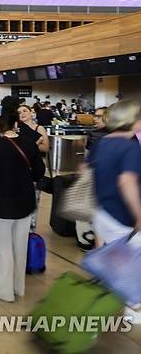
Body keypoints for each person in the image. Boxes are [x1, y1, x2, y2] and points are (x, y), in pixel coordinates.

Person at [0, 97, 45, 303]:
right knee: (19, 246)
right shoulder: (29, 144)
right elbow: (39, 172)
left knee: (0, 247)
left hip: (0, 205)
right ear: (16, 124)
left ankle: (1, 290)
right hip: (25, 203)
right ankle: (17, 286)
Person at [89, 100, 141, 324]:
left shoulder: (103, 142)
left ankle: (109, 302)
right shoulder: (130, 147)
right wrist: (139, 214)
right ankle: (134, 309)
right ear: (132, 120)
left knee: (114, 260)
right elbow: (127, 182)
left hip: (103, 212)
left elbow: (88, 169)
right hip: (122, 216)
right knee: (132, 263)